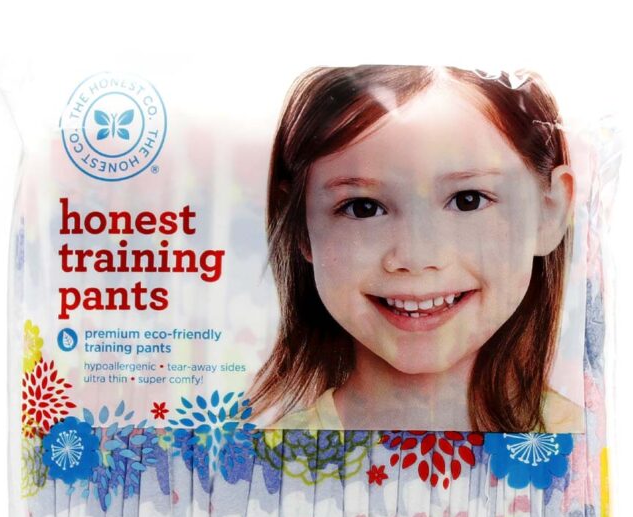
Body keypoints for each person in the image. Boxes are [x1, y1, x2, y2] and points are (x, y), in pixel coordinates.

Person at [249, 64, 583, 433]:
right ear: (299, 224)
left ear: (549, 211)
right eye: (363, 207)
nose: (416, 257)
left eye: (468, 200)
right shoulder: (263, 459)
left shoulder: (588, 444)